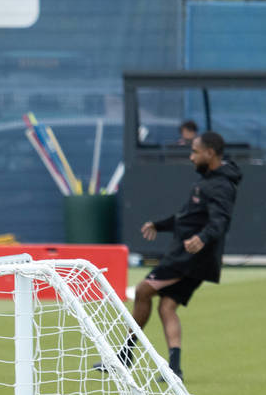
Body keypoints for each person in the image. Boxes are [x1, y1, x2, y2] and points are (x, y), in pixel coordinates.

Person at [102, 131, 240, 380]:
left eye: (195, 151)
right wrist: (160, 225)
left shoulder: (220, 185)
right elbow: (187, 218)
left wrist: (202, 238)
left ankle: (124, 356)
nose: (191, 157)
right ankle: (174, 368)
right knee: (166, 307)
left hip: (191, 258)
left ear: (210, 153)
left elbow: (221, 221)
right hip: (190, 257)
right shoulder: (208, 181)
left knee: (143, 290)